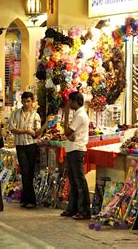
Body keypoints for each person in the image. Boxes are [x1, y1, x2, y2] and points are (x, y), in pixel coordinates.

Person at [8, 91, 41, 209]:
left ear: (32, 102)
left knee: (30, 172)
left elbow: (36, 133)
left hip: (31, 146)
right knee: (25, 171)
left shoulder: (35, 115)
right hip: (20, 145)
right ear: (21, 101)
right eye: (24, 101)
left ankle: (26, 198)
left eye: (29, 101)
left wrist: (46, 123)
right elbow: (12, 128)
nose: (26, 103)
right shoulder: (15, 113)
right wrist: (26, 131)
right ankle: (29, 199)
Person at [61, 91, 91, 220]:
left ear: (76, 101)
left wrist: (66, 115)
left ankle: (84, 210)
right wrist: (68, 134)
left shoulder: (80, 116)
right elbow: (68, 134)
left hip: (77, 150)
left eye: (70, 101)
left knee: (79, 181)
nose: (68, 104)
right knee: (73, 181)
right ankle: (72, 208)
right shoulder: (78, 114)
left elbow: (67, 131)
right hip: (72, 149)